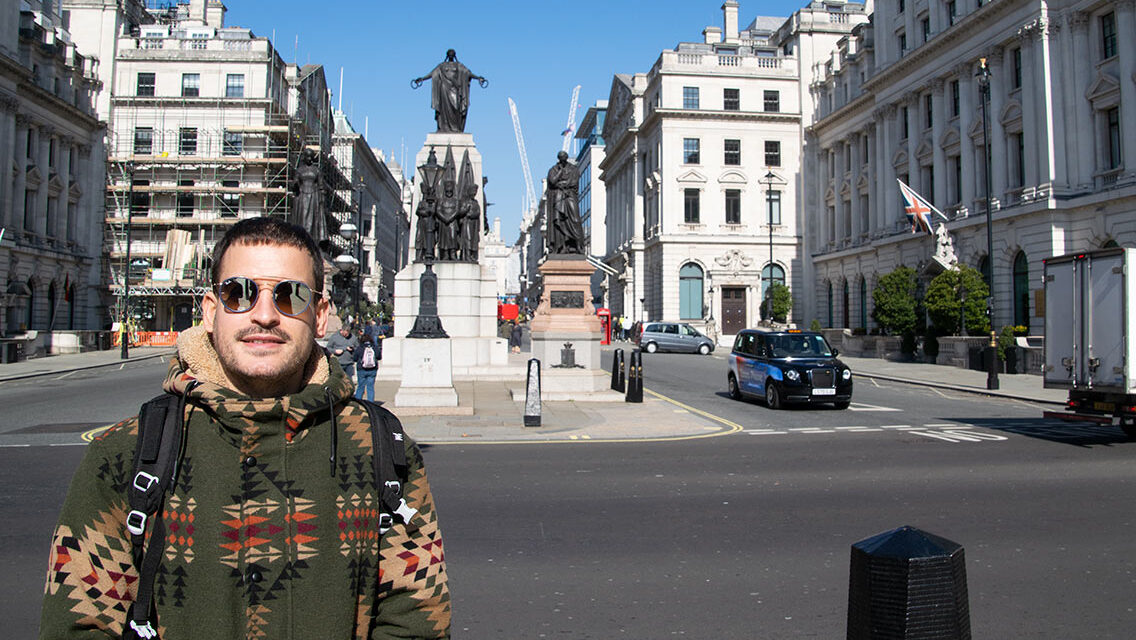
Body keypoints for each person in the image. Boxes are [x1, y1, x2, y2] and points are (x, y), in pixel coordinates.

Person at [39, 217, 450, 639]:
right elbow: (77, 626)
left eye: (291, 296)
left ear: (321, 315)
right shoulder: (126, 453)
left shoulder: (382, 448)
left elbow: (416, 622)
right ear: (211, 311)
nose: (265, 315)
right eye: (240, 293)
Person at [411, 49, 488, 134]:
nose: (451, 55)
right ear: (447, 55)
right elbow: (432, 74)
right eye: (449, 54)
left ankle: (456, 128)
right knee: (443, 110)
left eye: (452, 54)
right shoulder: (442, 66)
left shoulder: (459, 65)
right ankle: (444, 127)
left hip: (455, 89)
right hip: (444, 89)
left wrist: (478, 78)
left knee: (456, 107)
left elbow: (468, 73)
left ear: (454, 55)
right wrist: (422, 78)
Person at [544, 151, 585, 254]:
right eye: (560, 158)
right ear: (559, 158)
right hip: (558, 197)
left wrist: (562, 184)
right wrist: (560, 172)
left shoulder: (574, 169)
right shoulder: (553, 169)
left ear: (566, 158)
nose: (563, 159)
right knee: (559, 221)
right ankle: (561, 246)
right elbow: (552, 181)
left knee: (575, 220)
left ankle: (578, 245)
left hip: (570, 196)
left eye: (564, 157)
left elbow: (574, 182)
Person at [355, 333, 380, 400]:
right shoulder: (374, 347)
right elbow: (379, 357)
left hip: (361, 369)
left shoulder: (360, 348)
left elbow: (355, 358)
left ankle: (358, 403)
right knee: (370, 387)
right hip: (372, 369)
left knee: (360, 387)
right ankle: (370, 403)